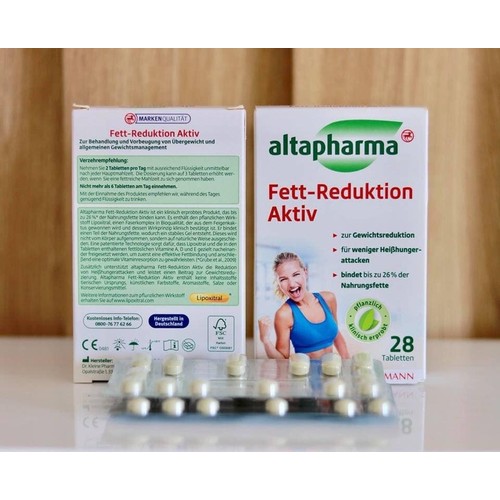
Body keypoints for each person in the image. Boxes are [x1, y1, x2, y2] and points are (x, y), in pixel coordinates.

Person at [258, 251, 350, 360]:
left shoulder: (329, 298)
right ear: (279, 283)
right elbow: (282, 361)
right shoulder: (284, 314)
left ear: (305, 272)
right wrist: (265, 340)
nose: (292, 284)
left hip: (331, 368)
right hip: (305, 370)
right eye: (283, 279)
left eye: (296, 274)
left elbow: (336, 334)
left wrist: (347, 363)